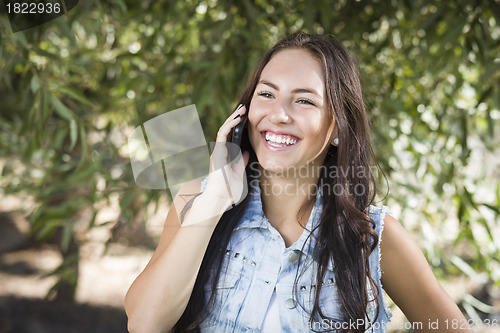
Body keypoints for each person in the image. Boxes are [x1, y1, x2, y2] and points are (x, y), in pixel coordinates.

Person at [125, 32, 474, 333]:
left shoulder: (372, 236)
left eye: (304, 100)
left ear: (338, 127)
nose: (278, 113)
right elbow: (144, 323)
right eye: (266, 94)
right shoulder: (197, 201)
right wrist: (215, 199)